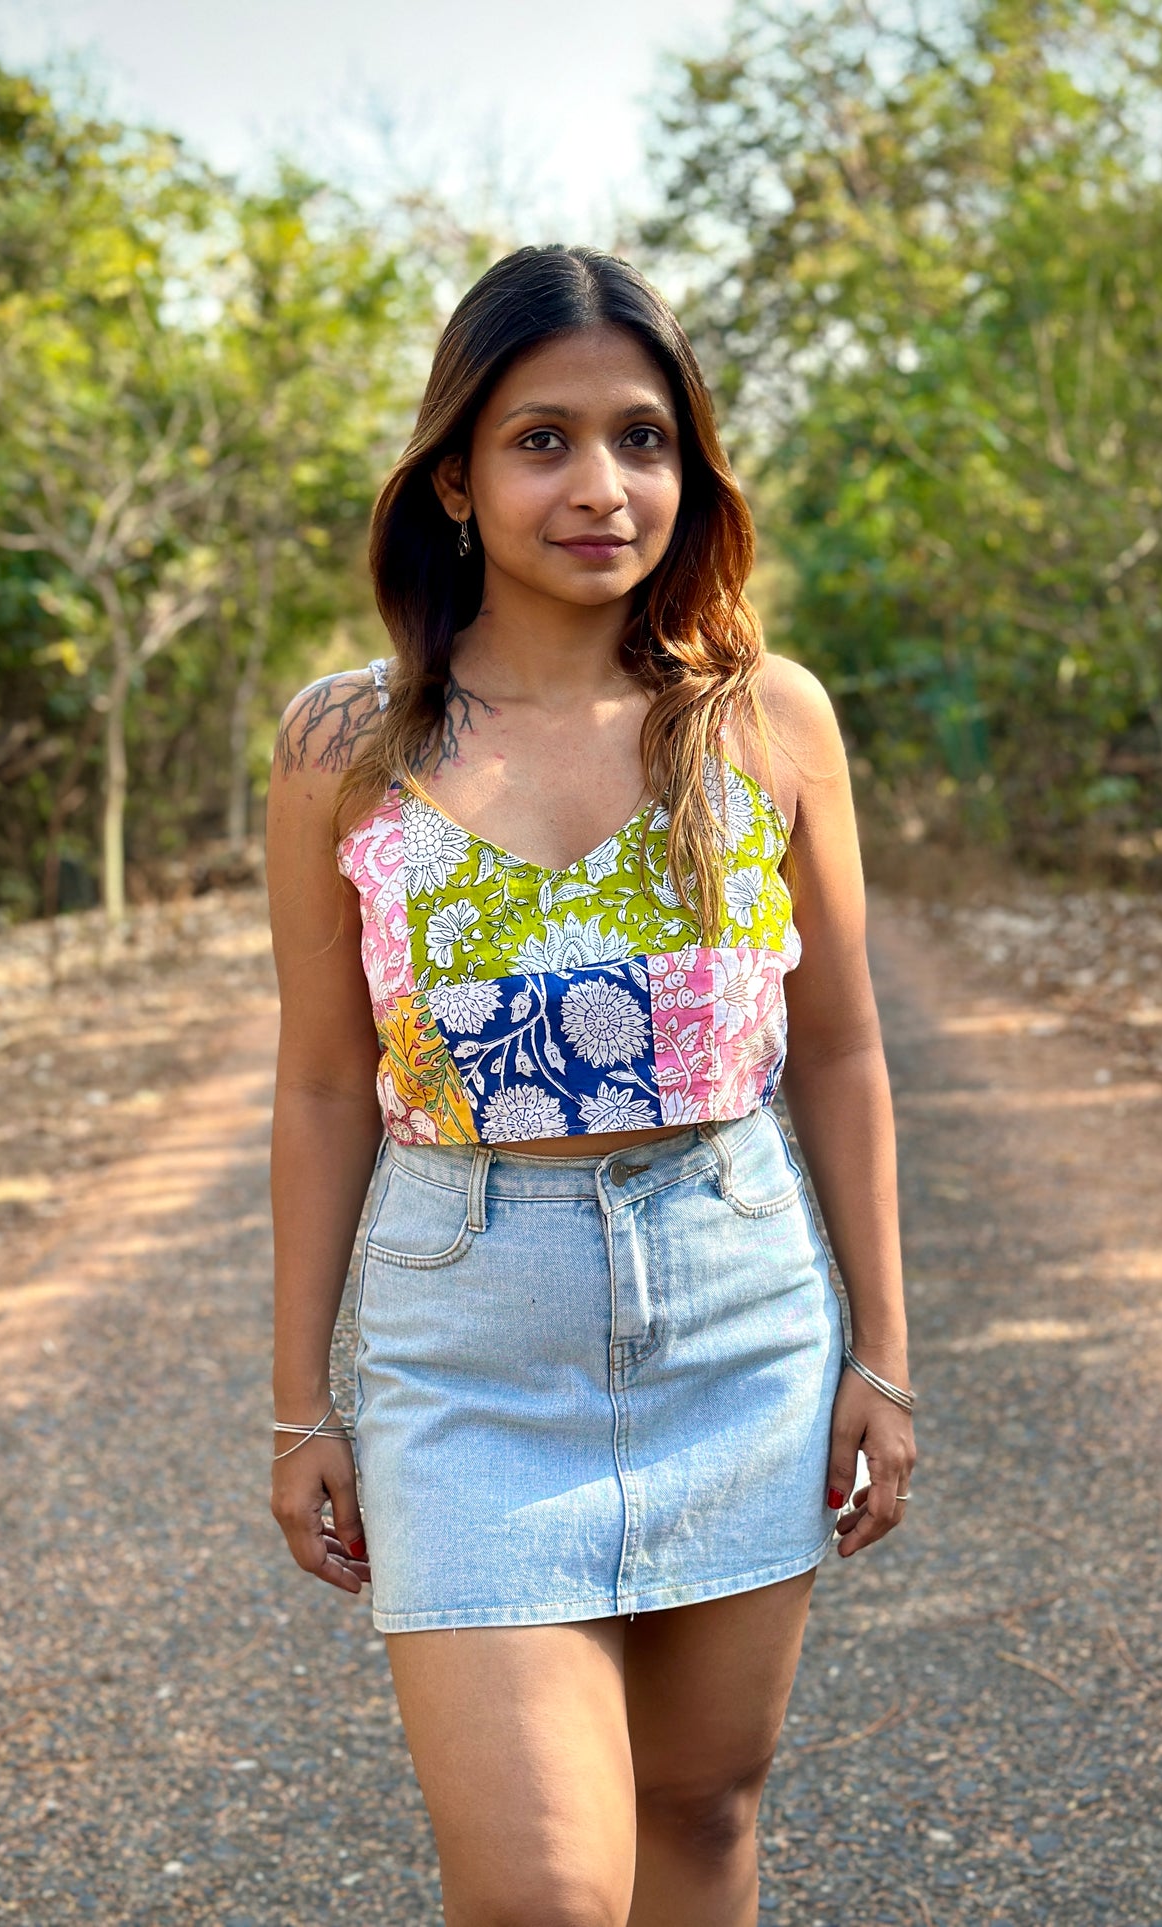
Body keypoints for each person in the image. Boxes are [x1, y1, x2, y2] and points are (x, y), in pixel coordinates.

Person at [266, 243, 914, 1926]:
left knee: (698, 1817)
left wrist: (884, 1362)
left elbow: (839, 1049)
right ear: (459, 481)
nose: (601, 484)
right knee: (544, 1890)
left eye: (643, 438)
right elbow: (327, 1086)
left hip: (737, 1310)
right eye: (540, 440)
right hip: (466, 1344)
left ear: (690, 470)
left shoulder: (765, 720)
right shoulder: (347, 745)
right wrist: (295, 1404)